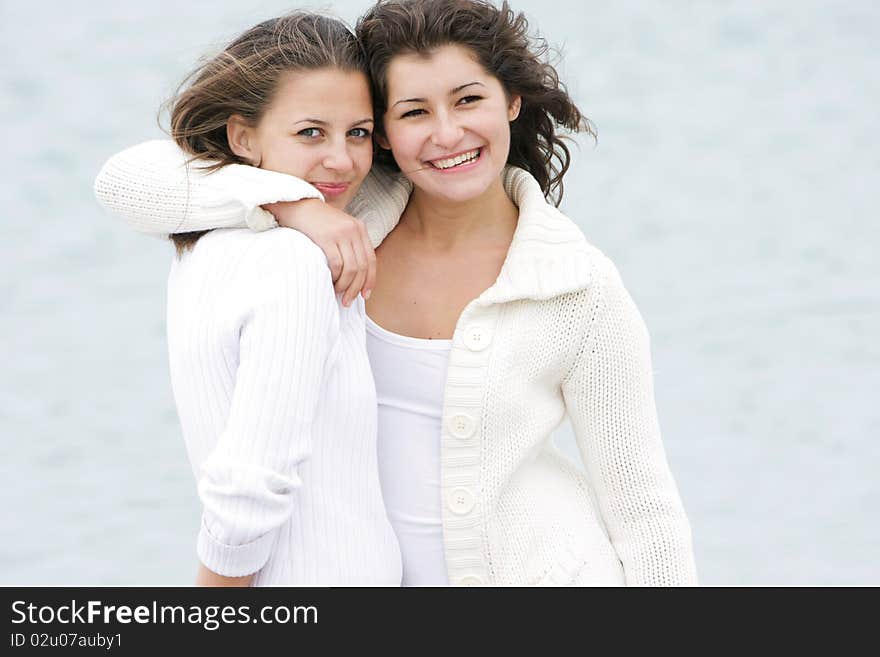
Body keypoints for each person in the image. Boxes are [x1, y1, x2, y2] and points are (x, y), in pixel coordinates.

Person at [96, 0, 698, 586]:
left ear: (511, 100)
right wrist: (293, 204)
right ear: (382, 133)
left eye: (468, 99)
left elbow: (644, 512)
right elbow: (128, 182)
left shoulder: (575, 286)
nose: (447, 132)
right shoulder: (344, 214)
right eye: (413, 112)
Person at [95, 12, 403, 586]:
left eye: (359, 132)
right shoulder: (293, 262)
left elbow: (402, 178)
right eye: (311, 131)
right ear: (243, 136)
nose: (342, 160)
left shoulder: (207, 247)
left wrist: (297, 204)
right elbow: (248, 483)